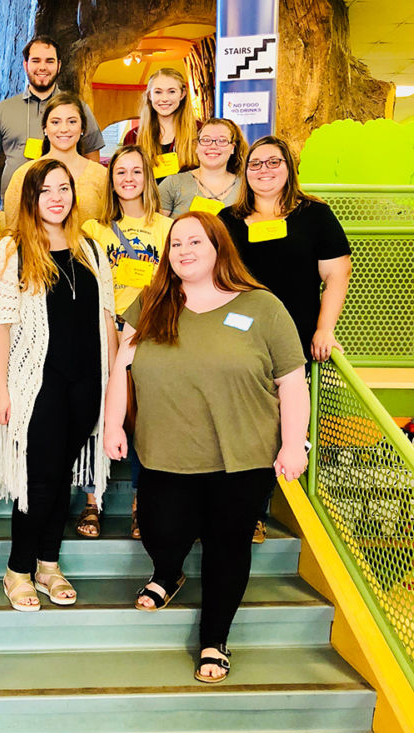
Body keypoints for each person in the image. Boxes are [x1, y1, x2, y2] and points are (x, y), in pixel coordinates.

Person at [103, 211, 309, 682]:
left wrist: (293, 444)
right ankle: (169, 570)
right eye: (175, 244)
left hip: (242, 455)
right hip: (164, 451)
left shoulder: (263, 307)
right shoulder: (153, 303)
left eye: (195, 241)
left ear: (219, 248)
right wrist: (114, 424)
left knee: (228, 546)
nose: (184, 251)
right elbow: (121, 367)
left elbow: (292, 381)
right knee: (161, 531)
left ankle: (214, 640)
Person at [0, 159, 117, 611]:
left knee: (61, 481)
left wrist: (114, 387)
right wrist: (0, 388)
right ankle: (18, 568)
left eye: (64, 188)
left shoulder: (92, 250)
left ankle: (48, 564)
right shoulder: (10, 250)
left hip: (85, 383)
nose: (57, 197)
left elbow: (107, 322)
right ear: (31, 198)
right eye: (46, 190)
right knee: (37, 480)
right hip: (36, 383)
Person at [219, 135, 351, 543]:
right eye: (256, 164)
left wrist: (324, 328)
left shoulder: (315, 215)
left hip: (292, 341)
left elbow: (336, 275)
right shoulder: (228, 219)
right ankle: (228, 507)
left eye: (273, 163)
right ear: (245, 172)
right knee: (237, 426)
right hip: (237, 341)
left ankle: (254, 510)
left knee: (278, 428)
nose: (264, 171)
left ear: (289, 168)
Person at [76, 144, 173, 539]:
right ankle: (91, 501)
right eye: (120, 172)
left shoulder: (168, 227)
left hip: (151, 330)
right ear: (110, 181)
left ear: (147, 178)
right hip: (104, 328)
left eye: (136, 171)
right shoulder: (92, 230)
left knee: (144, 417)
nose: (128, 179)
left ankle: (140, 504)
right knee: (97, 413)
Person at [0, 35, 105, 214]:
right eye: (36, 60)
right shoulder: (3, 110)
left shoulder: (78, 109)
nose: (43, 67)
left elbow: (92, 155)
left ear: (59, 65)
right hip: (16, 209)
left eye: (49, 61)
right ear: (25, 64)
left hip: (65, 210)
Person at [3, 92, 107, 231]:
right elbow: (13, 230)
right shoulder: (23, 175)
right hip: (37, 252)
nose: (64, 129)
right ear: (45, 128)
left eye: (72, 121)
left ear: (82, 128)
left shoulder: (102, 175)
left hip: (90, 252)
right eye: (55, 122)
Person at [123, 68, 198, 183]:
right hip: (148, 200)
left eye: (171, 91)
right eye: (158, 92)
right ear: (149, 95)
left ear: (182, 94)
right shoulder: (133, 137)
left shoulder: (200, 132)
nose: (164, 99)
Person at [160, 117, 246, 217]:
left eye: (222, 140)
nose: (213, 146)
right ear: (197, 146)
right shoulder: (173, 183)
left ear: (232, 148)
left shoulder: (246, 187)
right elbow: (155, 229)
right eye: (206, 140)